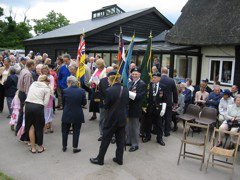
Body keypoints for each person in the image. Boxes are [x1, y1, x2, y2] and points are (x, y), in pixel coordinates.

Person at [90, 70, 129, 165]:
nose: (107, 81)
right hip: (122, 118)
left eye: (108, 80)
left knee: (105, 139)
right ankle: (119, 159)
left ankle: (100, 159)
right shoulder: (126, 89)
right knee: (120, 140)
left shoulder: (109, 91)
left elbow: (106, 106)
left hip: (111, 118)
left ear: (111, 80)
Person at [24, 75, 51, 153]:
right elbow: (45, 103)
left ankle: (33, 148)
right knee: (39, 127)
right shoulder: (47, 89)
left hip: (28, 105)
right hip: (38, 106)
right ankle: (40, 147)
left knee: (31, 127)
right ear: (47, 82)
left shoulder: (33, 84)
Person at [61, 76, 87, 153]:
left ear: (70, 83)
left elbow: (63, 103)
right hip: (78, 113)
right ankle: (75, 147)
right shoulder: (82, 91)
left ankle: (64, 146)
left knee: (65, 130)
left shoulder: (65, 91)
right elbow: (84, 103)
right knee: (76, 131)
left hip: (67, 112)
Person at [142, 72, 167, 146]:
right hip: (150, 107)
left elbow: (165, 99)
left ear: (159, 78)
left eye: (155, 77)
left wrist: (163, 109)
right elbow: (145, 97)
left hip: (158, 108)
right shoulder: (148, 86)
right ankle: (147, 136)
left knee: (159, 124)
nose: (153, 79)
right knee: (148, 123)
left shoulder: (163, 86)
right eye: (153, 77)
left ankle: (159, 138)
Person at [126, 67, 146, 152]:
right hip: (129, 108)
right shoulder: (131, 83)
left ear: (139, 74)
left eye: (136, 74)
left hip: (135, 108)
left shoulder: (142, 84)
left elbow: (139, 96)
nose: (134, 75)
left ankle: (135, 144)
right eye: (133, 74)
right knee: (129, 126)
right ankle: (129, 140)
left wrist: (128, 93)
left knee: (134, 127)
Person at [15, 60, 35, 140]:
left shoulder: (23, 70)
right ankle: (21, 131)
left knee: (21, 112)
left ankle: (18, 130)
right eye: (34, 65)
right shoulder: (28, 74)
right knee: (24, 113)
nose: (35, 66)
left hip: (21, 92)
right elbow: (27, 87)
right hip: (24, 94)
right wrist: (28, 98)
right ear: (32, 65)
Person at [160, 67, 178, 137]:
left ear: (161, 72)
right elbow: (175, 92)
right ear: (167, 72)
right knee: (168, 117)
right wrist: (175, 101)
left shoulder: (159, 79)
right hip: (168, 101)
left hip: (160, 101)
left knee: (159, 117)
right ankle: (167, 132)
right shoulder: (171, 80)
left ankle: (158, 130)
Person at [98, 66, 113, 141]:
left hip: (113, 105)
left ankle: (112, 136)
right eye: (107, 72)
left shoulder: (116, 81)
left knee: (112, 120)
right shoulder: (102, 81)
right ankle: (102, 134)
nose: (108, 74)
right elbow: (100, 92)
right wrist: (104, 100)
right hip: (103, 104)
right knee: (102, 120)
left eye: (110, 72)